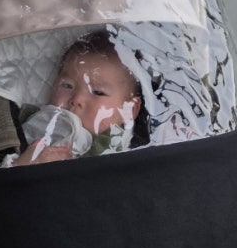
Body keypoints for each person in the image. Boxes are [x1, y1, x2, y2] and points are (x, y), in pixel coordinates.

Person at [12, 30, 144, 167]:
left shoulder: (118, 152)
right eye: (67, 85)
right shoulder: (26, 120)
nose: (77, 99)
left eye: (98, 92)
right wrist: (19, 165)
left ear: (129, 110)